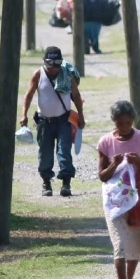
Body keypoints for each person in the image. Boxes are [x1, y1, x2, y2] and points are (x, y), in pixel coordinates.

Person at [97, 100, 140, 279]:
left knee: (134, 245)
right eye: (120, 123)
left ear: (133, 121)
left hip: (137, 199)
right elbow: (102, 176)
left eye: (128, 123)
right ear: (113, 121)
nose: (124, 127)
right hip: (114, 201)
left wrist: (138, 162)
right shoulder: (105, 142)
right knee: (120, 245)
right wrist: (114, 164)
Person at [21, 47, 86, 197]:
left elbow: (76, 96)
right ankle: (46, 183)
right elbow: (29, 95)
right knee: (45, 154)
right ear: (44, 61)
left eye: (57, 64)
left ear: (61, 62)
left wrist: (81, 116)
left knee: (64, 152)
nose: (53, 68)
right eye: (50, 64)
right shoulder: (38, 74)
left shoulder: (67, 75)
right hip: (44, 122)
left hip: (64, 120)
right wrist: (23, 114)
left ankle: (66, 184)